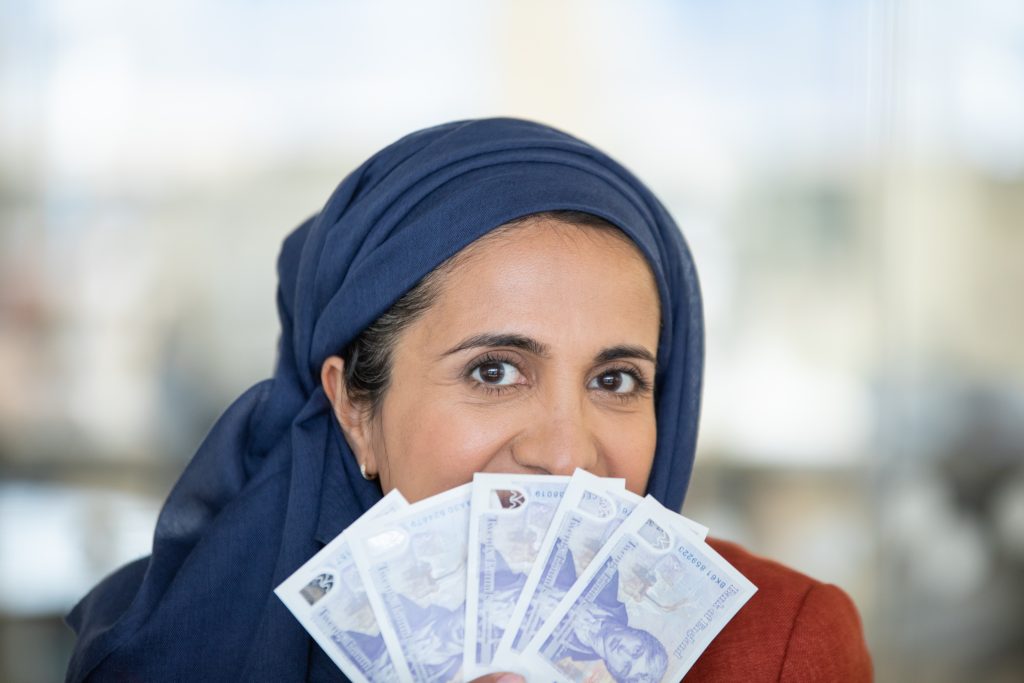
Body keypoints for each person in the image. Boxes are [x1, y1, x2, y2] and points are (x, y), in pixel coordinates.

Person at [65, 118, 872, 681]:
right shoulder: (172, 650)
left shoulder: (781, 645)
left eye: (616, 379)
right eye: (495, 370)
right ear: (354, 408)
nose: (565, 451)